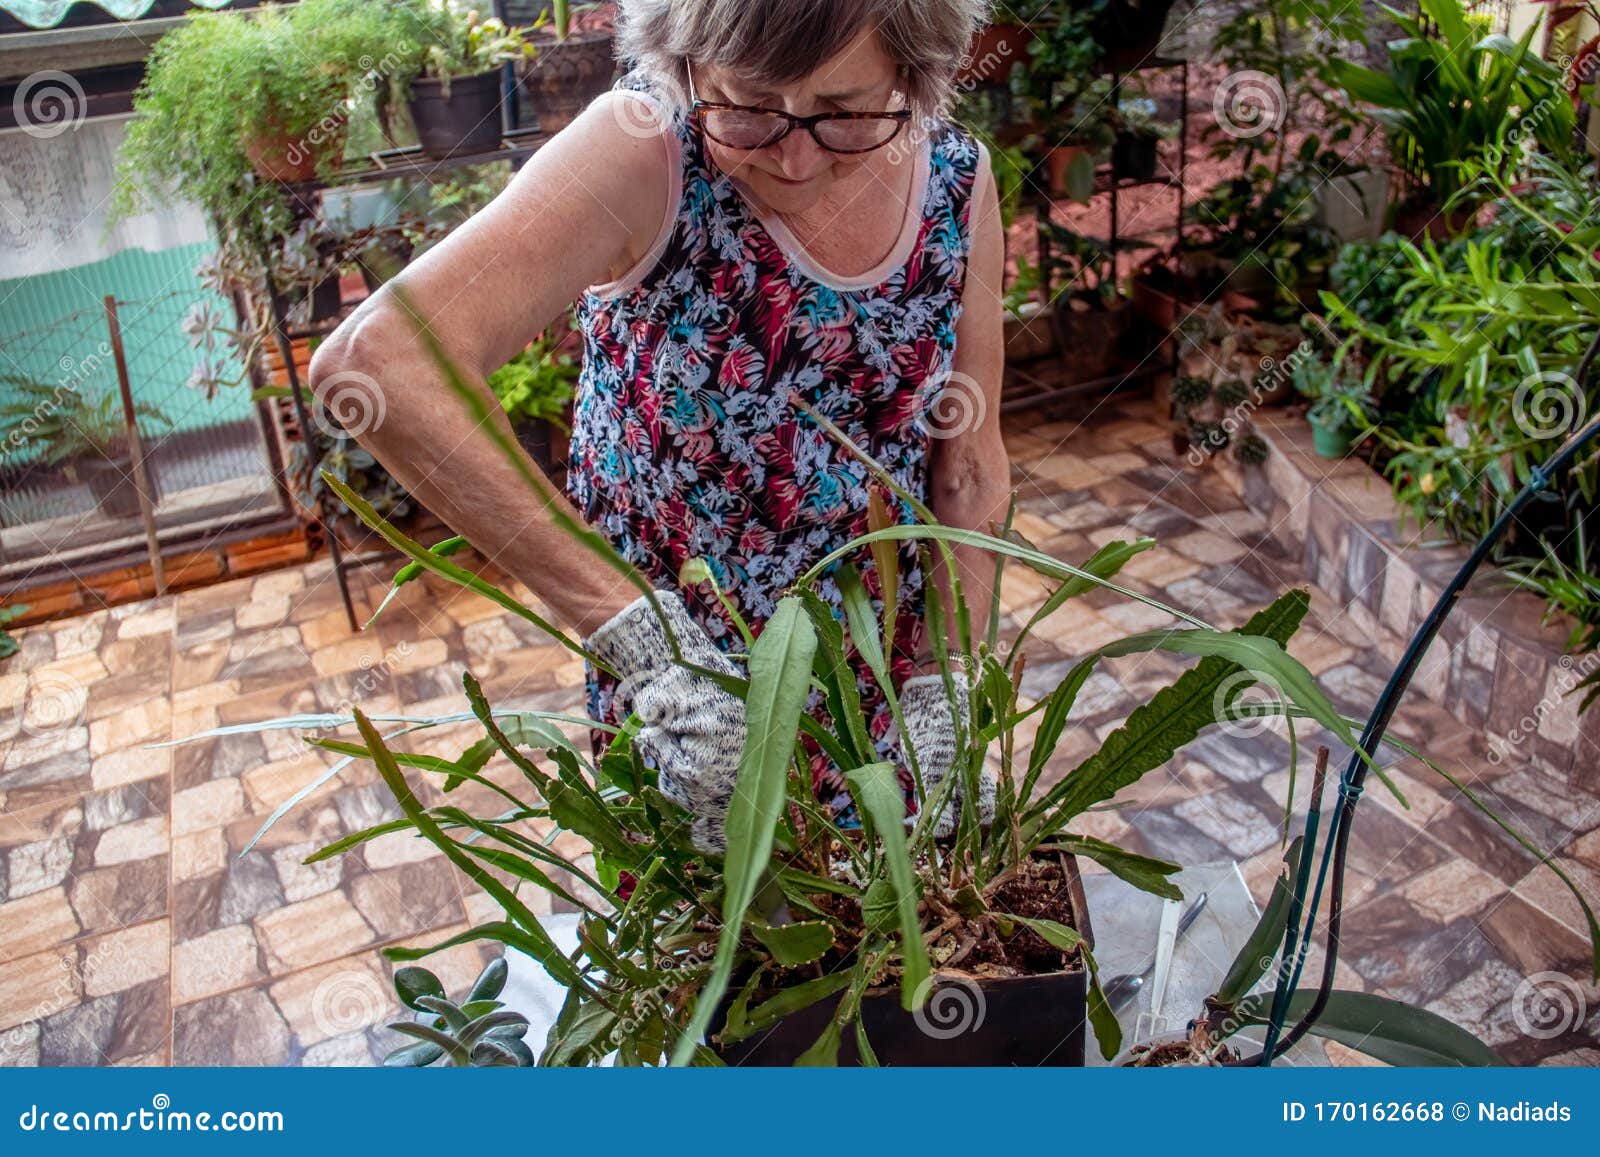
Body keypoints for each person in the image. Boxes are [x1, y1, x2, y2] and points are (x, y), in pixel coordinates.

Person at [310, 0, 1008, 853]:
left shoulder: (956, 179)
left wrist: (951, 676)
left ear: (914, 71)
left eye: (843, 112)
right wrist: (644, 646)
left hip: (884, 687)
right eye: (748, 108)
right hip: (693, 700)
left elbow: (966, 467)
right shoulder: (645, 147)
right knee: (714, 969)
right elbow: (376, 365)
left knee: (894, 956)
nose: (792, 156)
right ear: (686, 68)